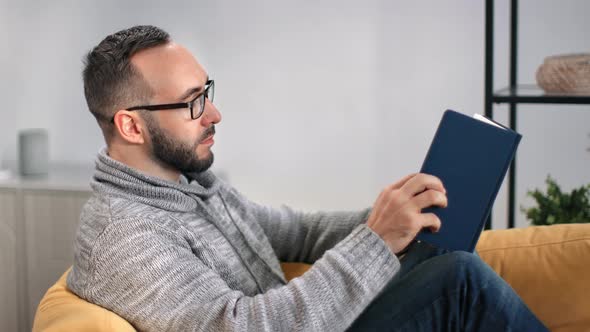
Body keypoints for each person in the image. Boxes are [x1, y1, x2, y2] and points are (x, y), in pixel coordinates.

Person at [68, 25, 547, 331]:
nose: (214, 113)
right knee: (457, 278)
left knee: (433, 245)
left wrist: (396, 215)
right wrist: (377, 239)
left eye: (207, 91)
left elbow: (297, 232)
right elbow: (239, 328)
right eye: (193, 101)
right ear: (131, 125)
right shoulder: (126, 237)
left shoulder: (188, 185)